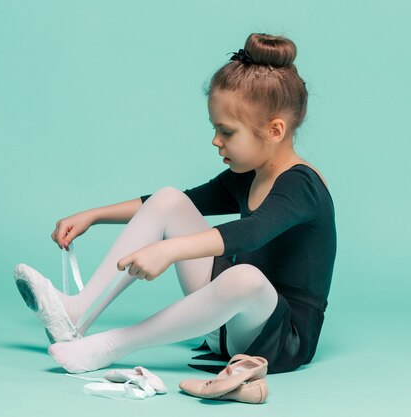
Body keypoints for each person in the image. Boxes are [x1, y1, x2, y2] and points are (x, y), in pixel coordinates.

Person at [18, 33, 337, 374]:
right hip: (222, 319)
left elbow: (252, 232)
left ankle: (111, 345)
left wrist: (169, 251)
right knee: (170, 199)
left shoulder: (303, 186)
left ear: (275, 130)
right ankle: (76, 314)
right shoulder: (250, 172)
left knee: (247, 277)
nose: (216, 141)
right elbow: (177, 203)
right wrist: (94, 216)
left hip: (277, 339)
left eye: (227, 132)